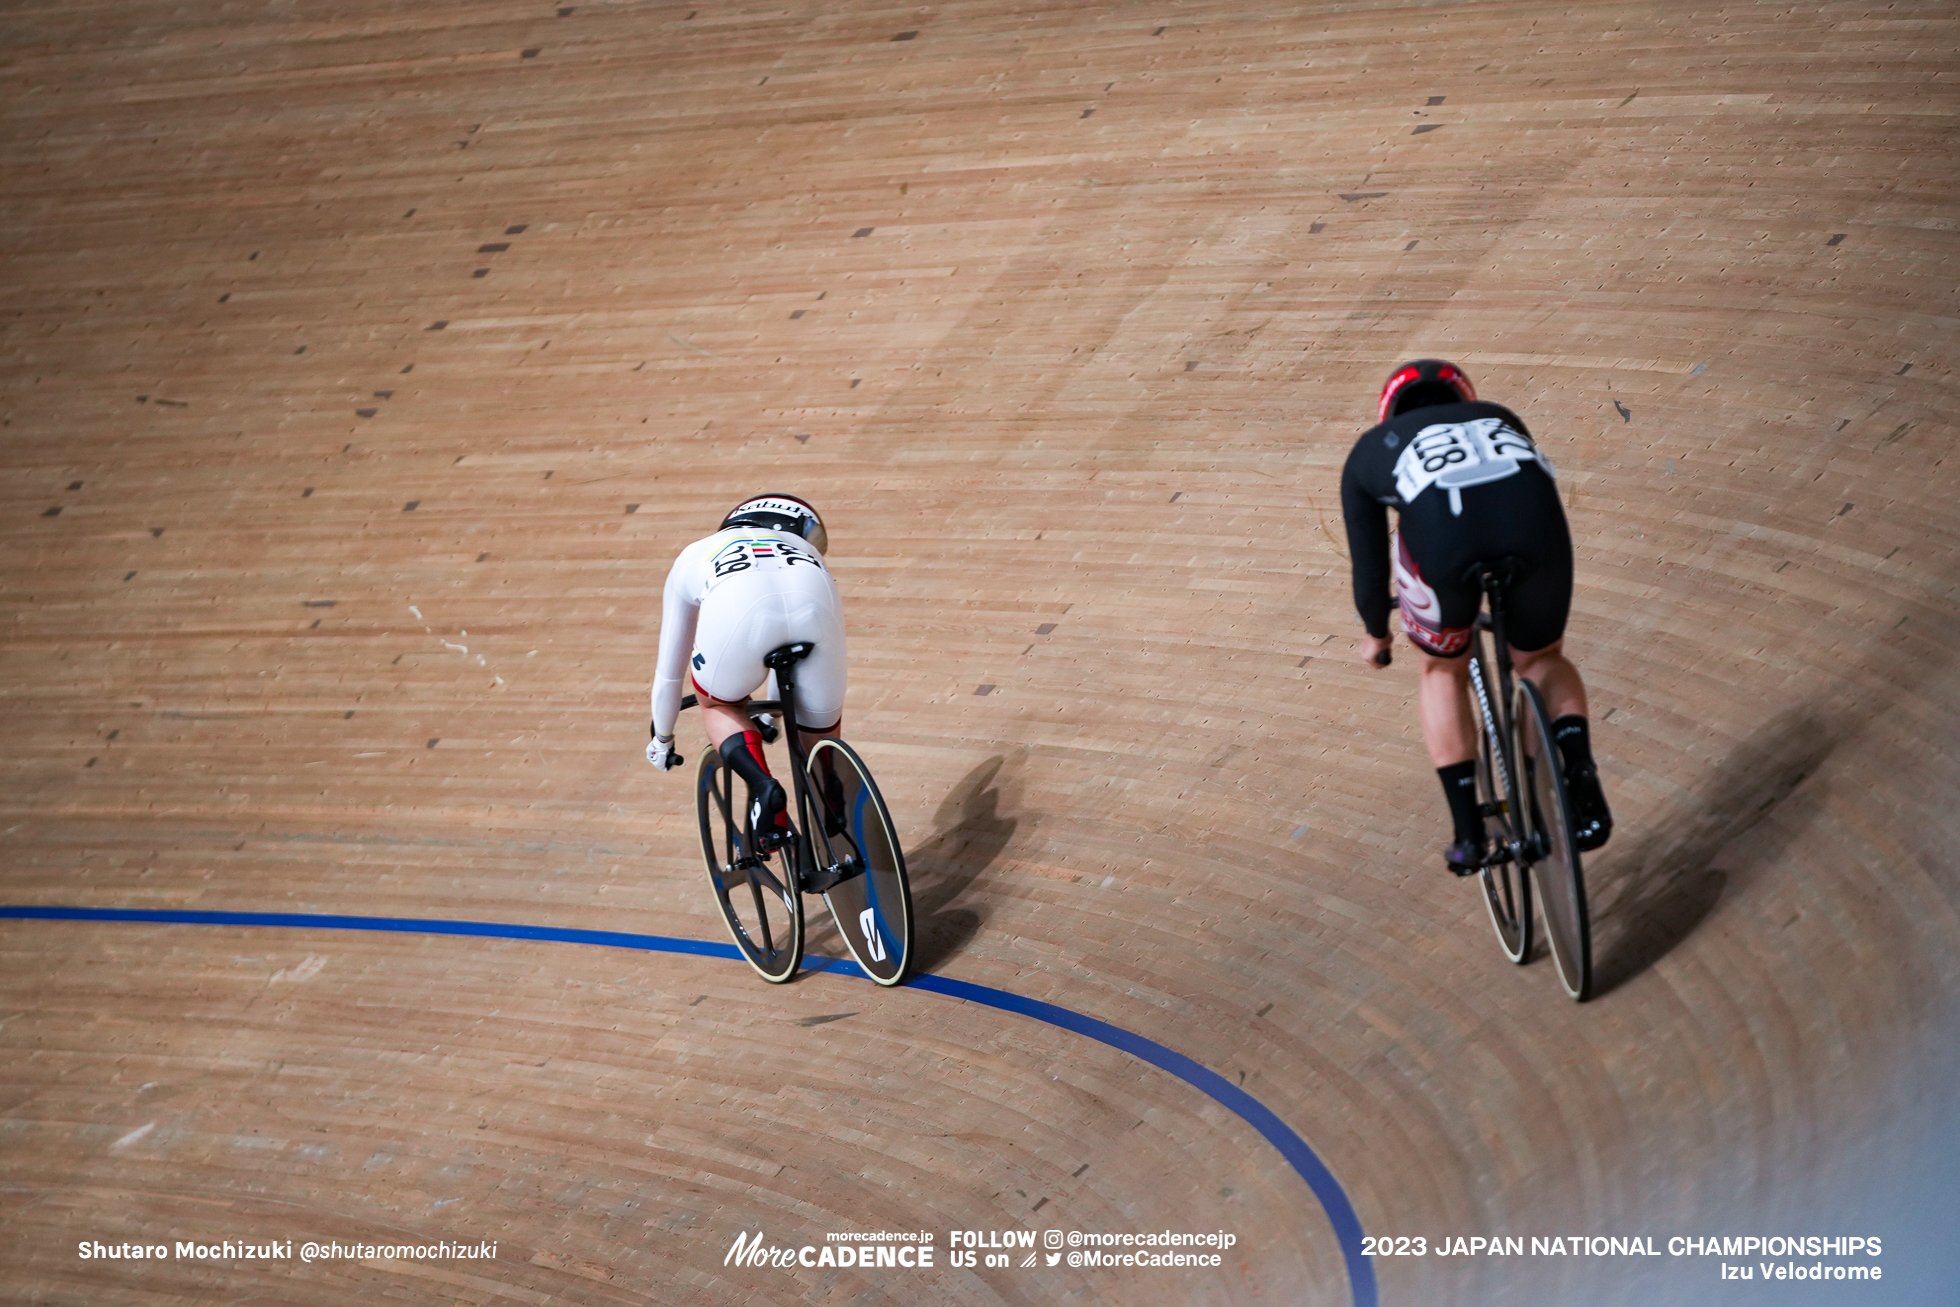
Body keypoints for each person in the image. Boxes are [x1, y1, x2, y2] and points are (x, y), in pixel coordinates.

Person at [1339, 360, 1612, 873]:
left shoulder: (1369, 452)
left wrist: (1376, 634)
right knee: (1541, 658)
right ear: (1465, 399)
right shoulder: (1500, 416)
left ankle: (1469, 832)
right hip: (1535, 533)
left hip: (1444, 551)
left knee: (1443, 667)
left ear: (1387, 413)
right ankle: (1579, 772)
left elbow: (1370, 568)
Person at [646, 494, 846, 844]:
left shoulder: (695, 552)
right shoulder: (806, 551)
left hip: (738, 611)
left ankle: (763, 787)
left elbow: (670, 673)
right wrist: (772, 718)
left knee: (719, 703)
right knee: (821, 734)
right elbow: (791, 661)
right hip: (813, 604)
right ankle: (833, 790)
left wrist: (662, 739)